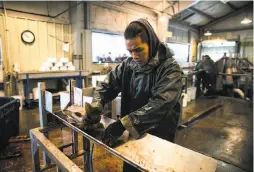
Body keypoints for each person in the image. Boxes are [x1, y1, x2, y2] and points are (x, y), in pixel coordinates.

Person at [85, 18, 182, 172]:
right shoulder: (128, 65)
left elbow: (160, 104)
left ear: (151, 42)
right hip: (133, 133)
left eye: (138, 50)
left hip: (159, 136)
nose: (134, 55)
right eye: (130, 51)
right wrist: (97, 104)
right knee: (131, 166)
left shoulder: (170, 69)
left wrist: (122, 124)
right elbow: (107, 85)